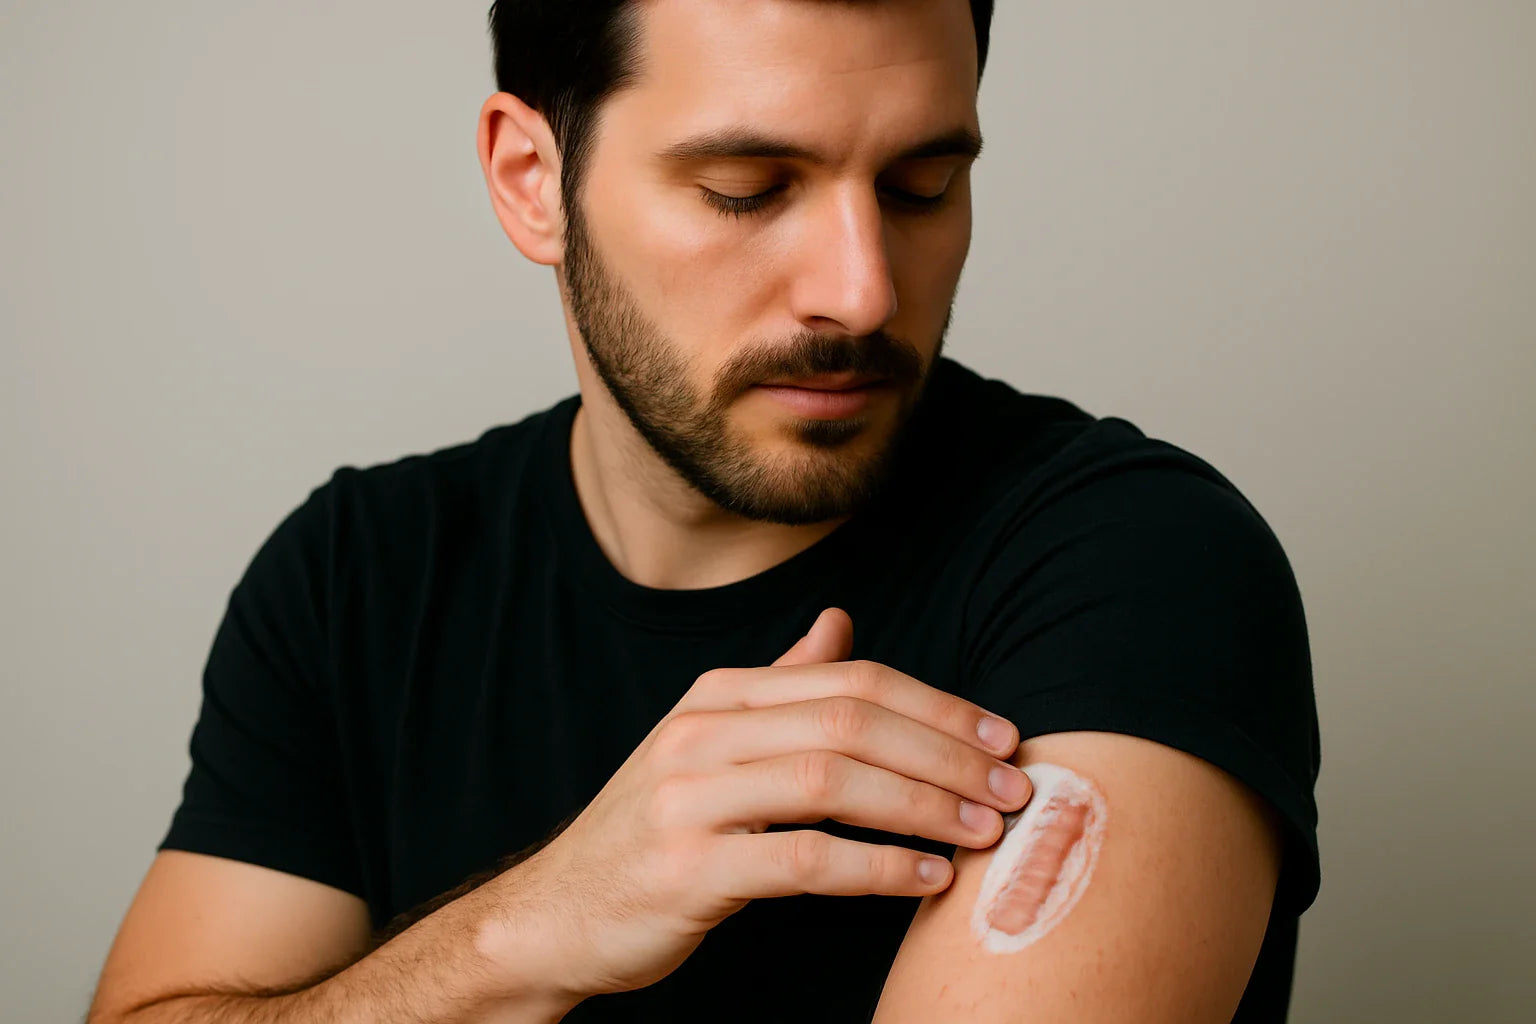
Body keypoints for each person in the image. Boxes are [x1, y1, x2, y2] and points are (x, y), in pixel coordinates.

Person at [87, 1, 1320, 1022]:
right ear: (533, 179)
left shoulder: (1137, 567)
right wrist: (532, 927)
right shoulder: (362, 571)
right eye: (746, 188)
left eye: (922, 184)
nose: (861, 287)